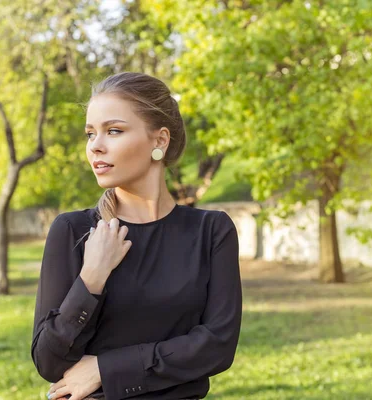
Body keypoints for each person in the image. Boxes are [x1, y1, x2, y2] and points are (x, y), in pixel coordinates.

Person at [31, 72, 242, 400]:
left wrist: (105, 368)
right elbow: (48, 361)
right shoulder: (72, 231)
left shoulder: (211, 231)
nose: (95, 146)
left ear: (159, 141)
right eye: (90, 133)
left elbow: (217, 346)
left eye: (113, 131)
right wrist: (92, 277)